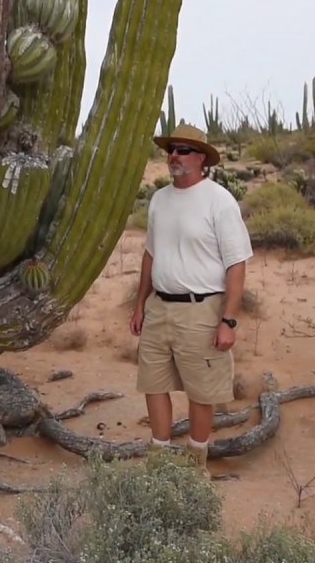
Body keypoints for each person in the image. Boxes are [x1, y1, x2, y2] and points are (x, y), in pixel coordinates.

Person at [130, 122, 253, 474]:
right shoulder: (159, 199)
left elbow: (236, 264)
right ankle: (158, 460)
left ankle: (197, 461)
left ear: (201, 158)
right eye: (171, 150)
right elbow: (150, 254)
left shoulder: (219, 200)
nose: (174, 157)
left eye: (183, 150)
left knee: (201, 391)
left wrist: (228, 321)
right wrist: (140, 303)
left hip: (202, 310)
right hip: (159, 308)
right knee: (153, 384)